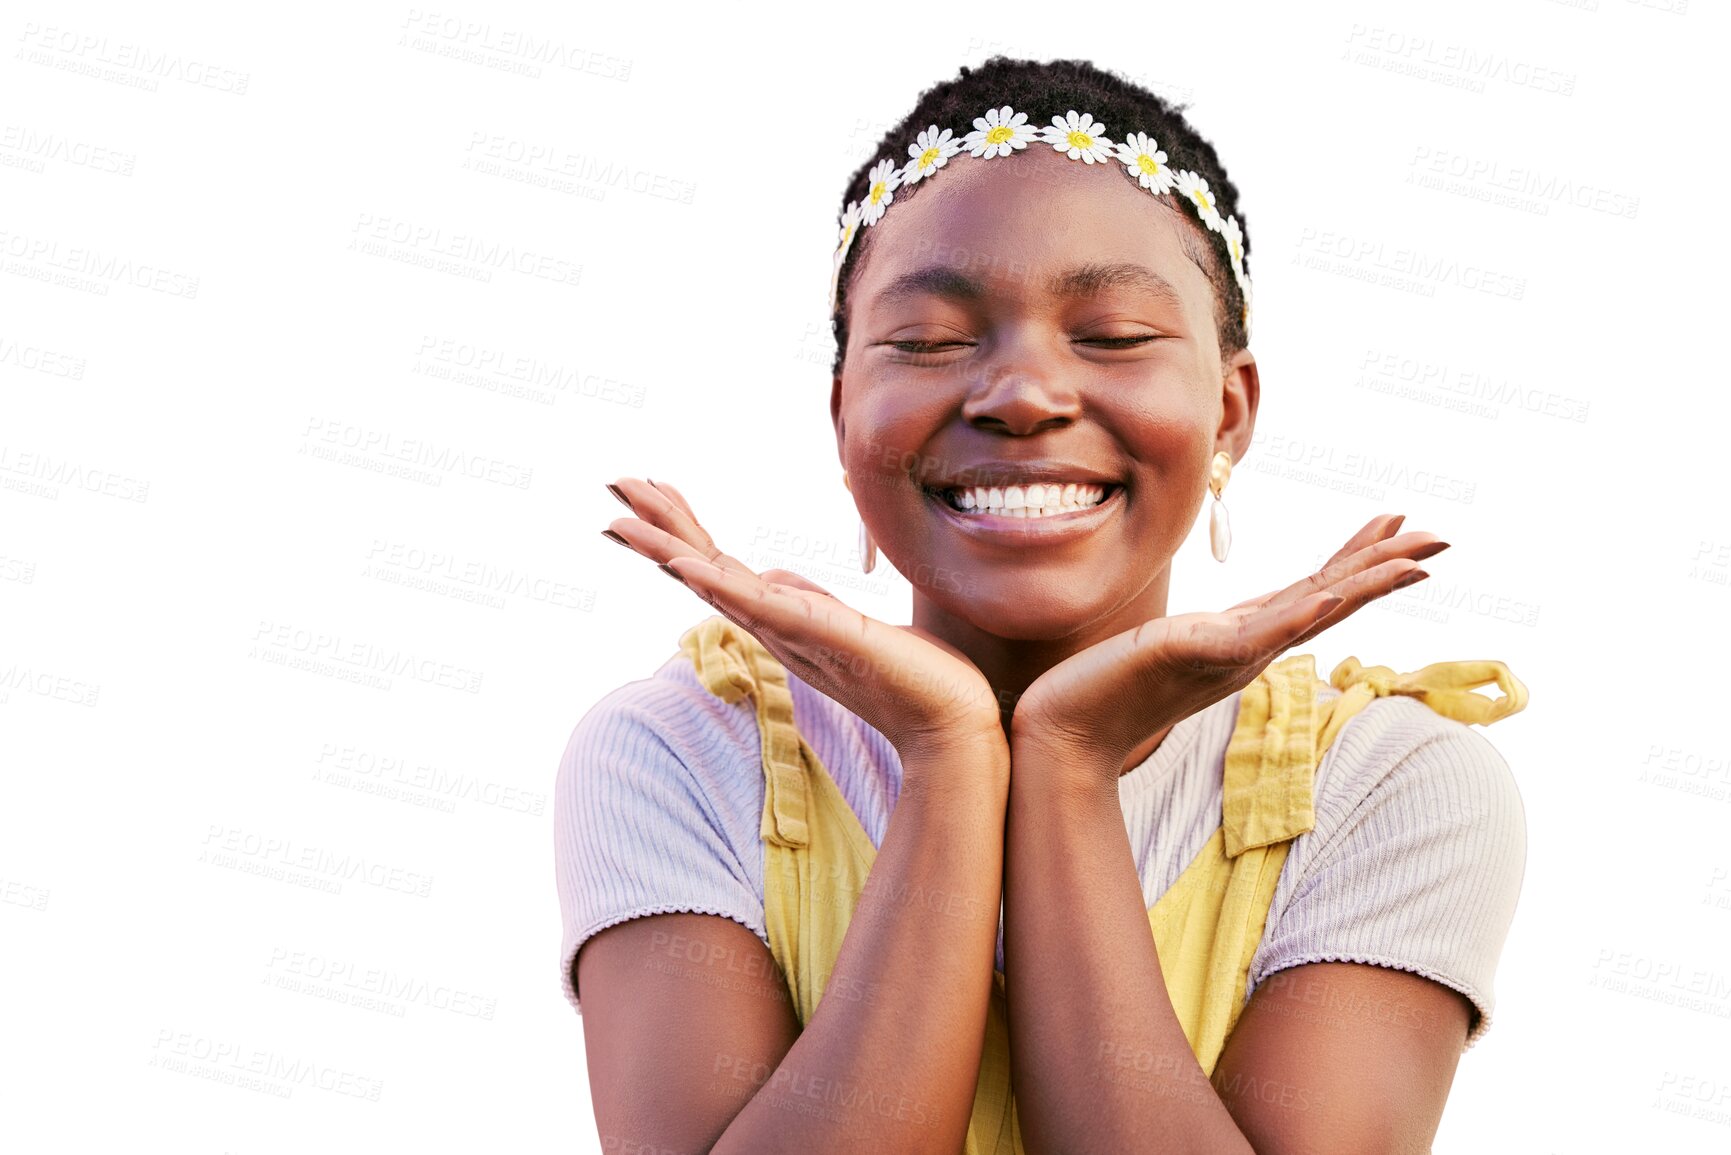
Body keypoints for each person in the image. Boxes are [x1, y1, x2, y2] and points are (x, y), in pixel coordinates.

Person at [556, 56, 1529, 1154]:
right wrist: (948, 755)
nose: (1022, 395)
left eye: (1112, 335)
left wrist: (1063, 763)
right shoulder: (687, 753)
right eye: (926, 340)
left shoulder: (1384, 785)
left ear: (1229, 410)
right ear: (842, 417)